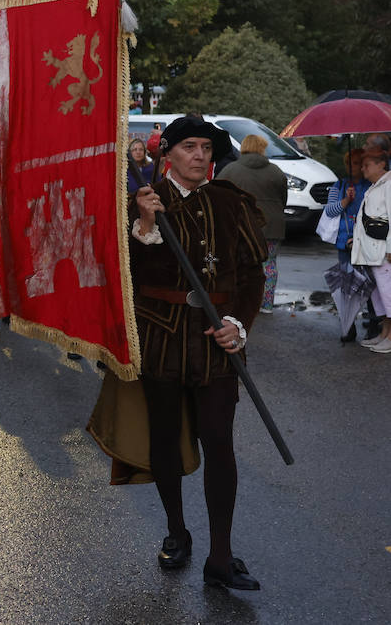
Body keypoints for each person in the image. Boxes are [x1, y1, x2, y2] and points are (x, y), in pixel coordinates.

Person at [130, 115, 267, 591]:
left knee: (219, 442)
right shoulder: (142, 203)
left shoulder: (229, 203)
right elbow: (125, 273)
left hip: (217, 341)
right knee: (165, 439)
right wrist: (145, 225)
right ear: (166, 153)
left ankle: (221, 556)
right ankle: (176, 530)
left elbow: (253, 274)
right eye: (189, 146)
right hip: (162, 338)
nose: (200, 156)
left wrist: (237, 325)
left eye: (206, 148)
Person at [217, 134, 288, 315]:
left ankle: (241, 302)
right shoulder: (276, 171)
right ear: (262, 148)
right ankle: (267, 304)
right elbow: (283, 198)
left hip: (240, 225)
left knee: (238, 263)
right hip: (272, 225)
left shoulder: (230, 170)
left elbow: (218, 195)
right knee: (269, 263)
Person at [323, 148, 371, 342]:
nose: (353, 168)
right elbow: (330, 210)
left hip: (366, 242)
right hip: (344, 242)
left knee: (369, 283)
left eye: (358, 164)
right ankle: (348, 325)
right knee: (346, 285)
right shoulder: (340, 185)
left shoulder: (372, 186)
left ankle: (374, 322)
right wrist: (345, 200)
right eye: (350, 164)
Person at [351, 147, 391, 352]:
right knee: (379, 296)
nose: (363, 169)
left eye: (367, 165)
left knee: (388, 294)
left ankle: (390, 337)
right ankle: (384, 333)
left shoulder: (389, 185)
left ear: (381, 164)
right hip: (372, 252)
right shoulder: (375, 186)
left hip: (384, 252)